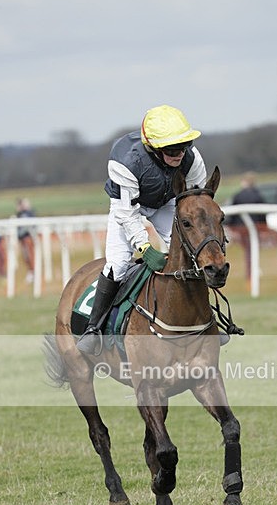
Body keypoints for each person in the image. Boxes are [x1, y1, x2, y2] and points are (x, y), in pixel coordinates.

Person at [77, 104, 206, 354]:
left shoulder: (192, 159)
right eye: (170, 149)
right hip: (128, 209)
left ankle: (204, 321)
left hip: (166, 203)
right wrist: (145, 248)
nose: (179, 153)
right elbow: (127, 214)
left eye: (182, 146)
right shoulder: (126, 161)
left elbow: (195, 200)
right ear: (153, 149)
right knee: (118, 264)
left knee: (192, 255)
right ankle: (93, 329)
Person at [226, 173, 266, 285]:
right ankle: (252, 273)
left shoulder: (238, 195)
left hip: (241, 229)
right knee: (252, 251)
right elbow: (263, 214)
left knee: (248, 251)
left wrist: (230, 226)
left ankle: (250, 274)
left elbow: (232, 214)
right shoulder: (258, 195)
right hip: (255, 228)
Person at [16, 197, 36, 282]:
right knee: (25, 256)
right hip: (22, 239)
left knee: (30, 255)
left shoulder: (28, 213)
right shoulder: (20, 214)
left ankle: (33, 271)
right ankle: (31, 271)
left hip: (28, 238)